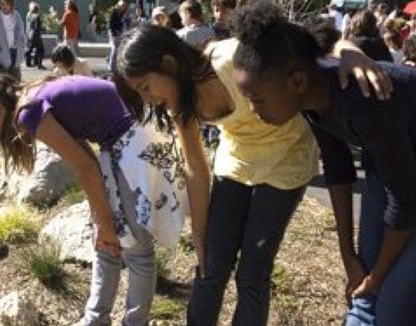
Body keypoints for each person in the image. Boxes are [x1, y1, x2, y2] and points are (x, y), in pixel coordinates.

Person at [112, 25, 391, 326]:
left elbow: (311, 42)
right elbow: (195, 167)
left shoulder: (232, 57)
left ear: (168, 63)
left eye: (145, 88)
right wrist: (201, 239)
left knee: (252, 274)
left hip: (286, 159)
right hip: (237, 159)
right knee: (209, 268)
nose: (149, 100)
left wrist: (352, 53)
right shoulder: (180, 102)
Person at [229, 0, 416, 326]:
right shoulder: (311, 95)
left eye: (257, 100)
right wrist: (347, 254)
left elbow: (406, 202)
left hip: (406, 186)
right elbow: (339, 168)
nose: (255, 112)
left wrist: (377, 276)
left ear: (296, 82)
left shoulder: (361, 99)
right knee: (364, 297)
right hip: (391, 171)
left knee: (392, 310)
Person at [0, 73, 188, 326]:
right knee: (105, 244)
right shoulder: (35, 97)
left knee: (138, 251)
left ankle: (134, 322)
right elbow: (87, 160)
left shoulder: (28, 112)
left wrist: (106, 221)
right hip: (123, 140)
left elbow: (85, 167)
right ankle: (95, 320)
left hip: (134, 141)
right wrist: (101, 219)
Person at [107, 0, 127, 73]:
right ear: (118, 4)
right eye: (122, 5)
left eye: (124, 6)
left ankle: (109, 59)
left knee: (117, 49)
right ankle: (111, 68)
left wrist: (122, 30)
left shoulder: (121, 12)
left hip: (119, 32)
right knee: (115, 49)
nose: (123, 7)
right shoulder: (113, 11)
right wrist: (112, 33)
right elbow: (109, 23)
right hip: (113, 33)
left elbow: (120, 22)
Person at [25, 1, 45, 70]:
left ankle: (28, 63)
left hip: (29, 34)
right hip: (35, 35)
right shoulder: (37, 16)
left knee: (30, 49)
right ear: (37, 9)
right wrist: (43, 29)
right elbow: (37, 27)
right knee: (41, 49)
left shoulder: (28, 15)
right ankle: (39, 64)